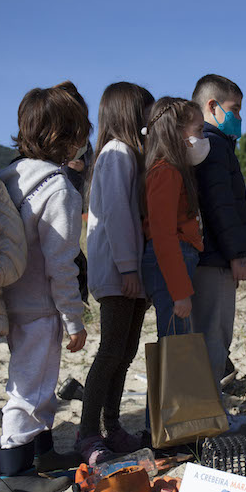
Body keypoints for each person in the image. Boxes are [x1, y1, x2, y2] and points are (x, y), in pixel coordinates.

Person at [0, 82, 90, 492]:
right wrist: (73, 318)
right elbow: (61, 266)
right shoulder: (59, 190)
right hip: (40, 307)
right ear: (69, 136)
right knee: (31, 387)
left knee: (34, 381)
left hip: (6, 299)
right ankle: (13, 472)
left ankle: (41, 453)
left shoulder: (8, 177)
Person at [78, 82, 155, 464]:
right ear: (129, 113)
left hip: (132, 273)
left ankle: (113, 427)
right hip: (118, 272)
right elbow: (116, 216)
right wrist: (128, 267)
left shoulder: (129, 156)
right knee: (110, 352)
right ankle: (88, 433)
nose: (150, 119)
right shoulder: (116, 154)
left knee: (124, 353)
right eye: (146, 111)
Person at [191, 75, 246, 395]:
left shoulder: (207, 144)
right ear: (212, 106)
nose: (239, 118)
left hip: (208, 255)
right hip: (216, 258)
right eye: (235, 109)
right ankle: (208, 415)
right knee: (214, 337)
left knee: (205, 335)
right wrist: (237, 254)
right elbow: (220, 206)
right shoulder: (213, 145)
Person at [141, 97, 206, 339]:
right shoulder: (165, 172)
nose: (202, 137)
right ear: (176, 131)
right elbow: (163, 236)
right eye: (198, 130)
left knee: (177, 336)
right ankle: (174, 380)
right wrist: (179, 292)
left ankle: (176, 379)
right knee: (174, 339)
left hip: (177, 260)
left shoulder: (171, 170)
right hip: (171, 262)